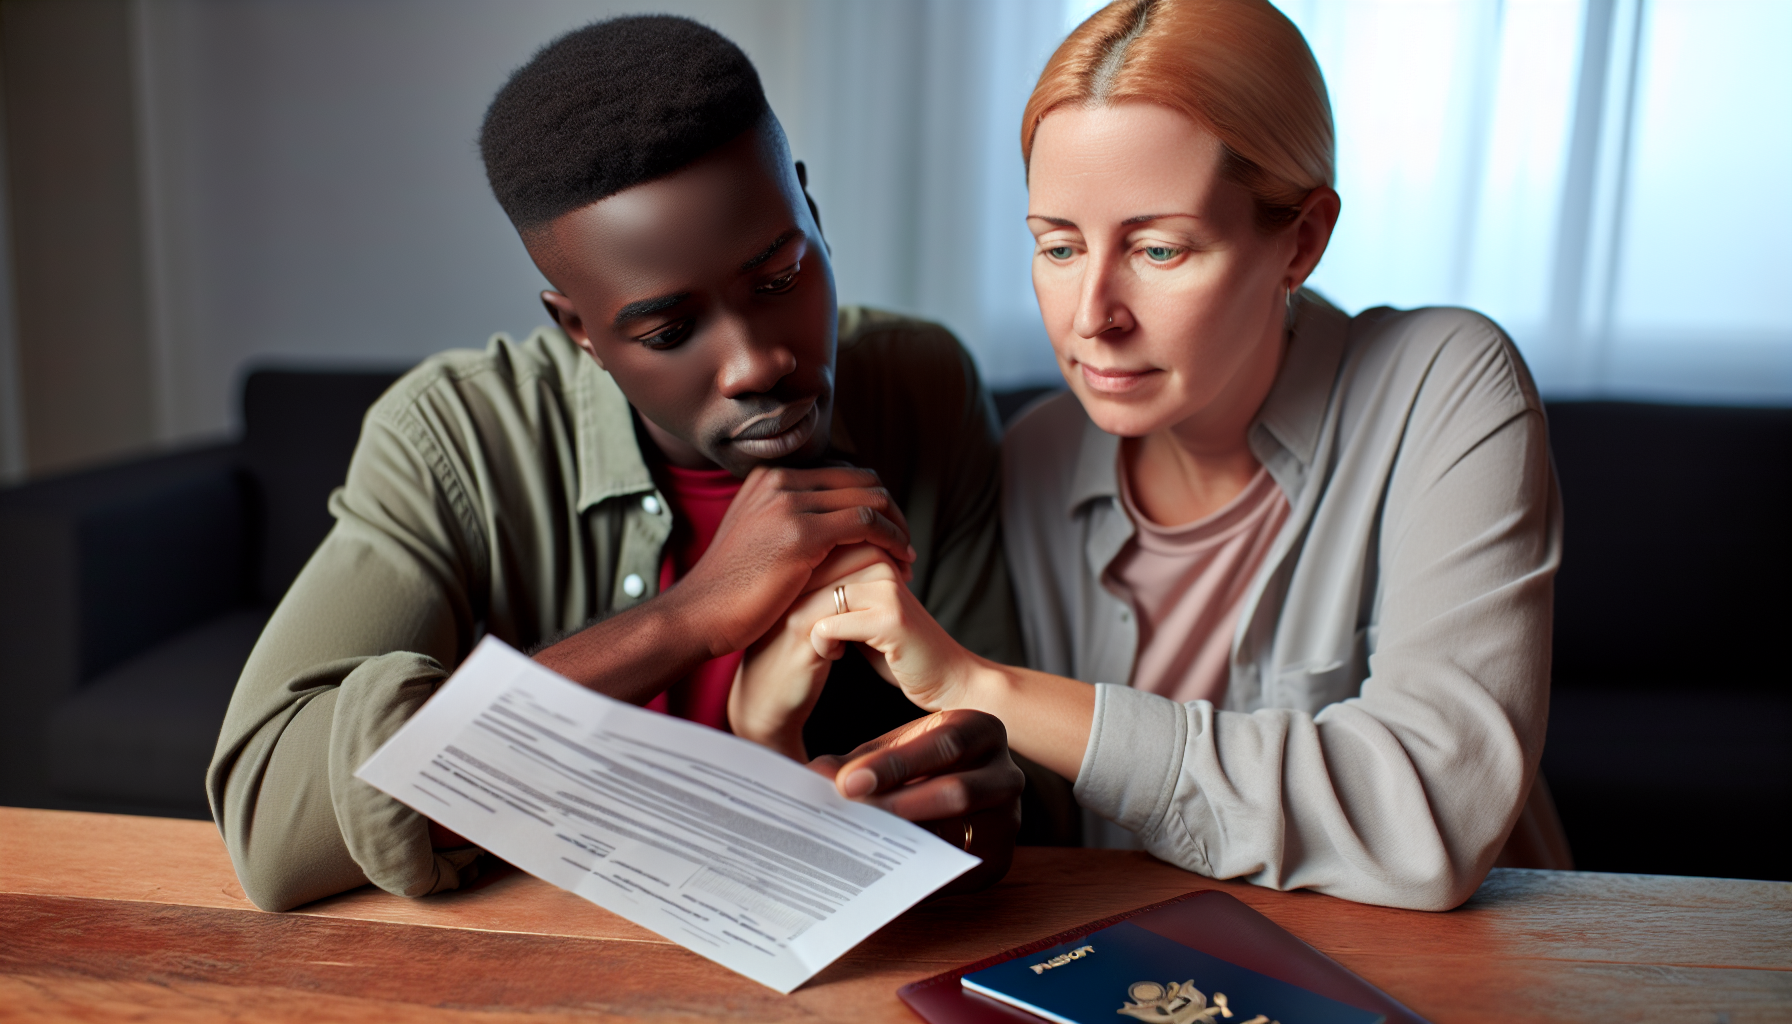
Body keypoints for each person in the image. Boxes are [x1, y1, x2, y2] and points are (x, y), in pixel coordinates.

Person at [207, 15, 1072, 914]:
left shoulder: (918, 386)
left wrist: (974, 793)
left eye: (778, 279)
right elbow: (271, 825)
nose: (756, 364)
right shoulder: (454, 439)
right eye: (668, 331)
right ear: (579, 328)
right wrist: (685, 619)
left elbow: (1020, 756)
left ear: (811, 214)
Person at [751, 0, 1570, 912]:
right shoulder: (1034, 458)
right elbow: (1033, 824)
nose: (1093, 313)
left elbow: (1433, 821)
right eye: (1058, 246)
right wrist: (774, 734)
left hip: (1458, 976)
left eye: (1158, 248)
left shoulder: (1445, 381)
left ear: (1300, 239)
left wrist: (985, 686)